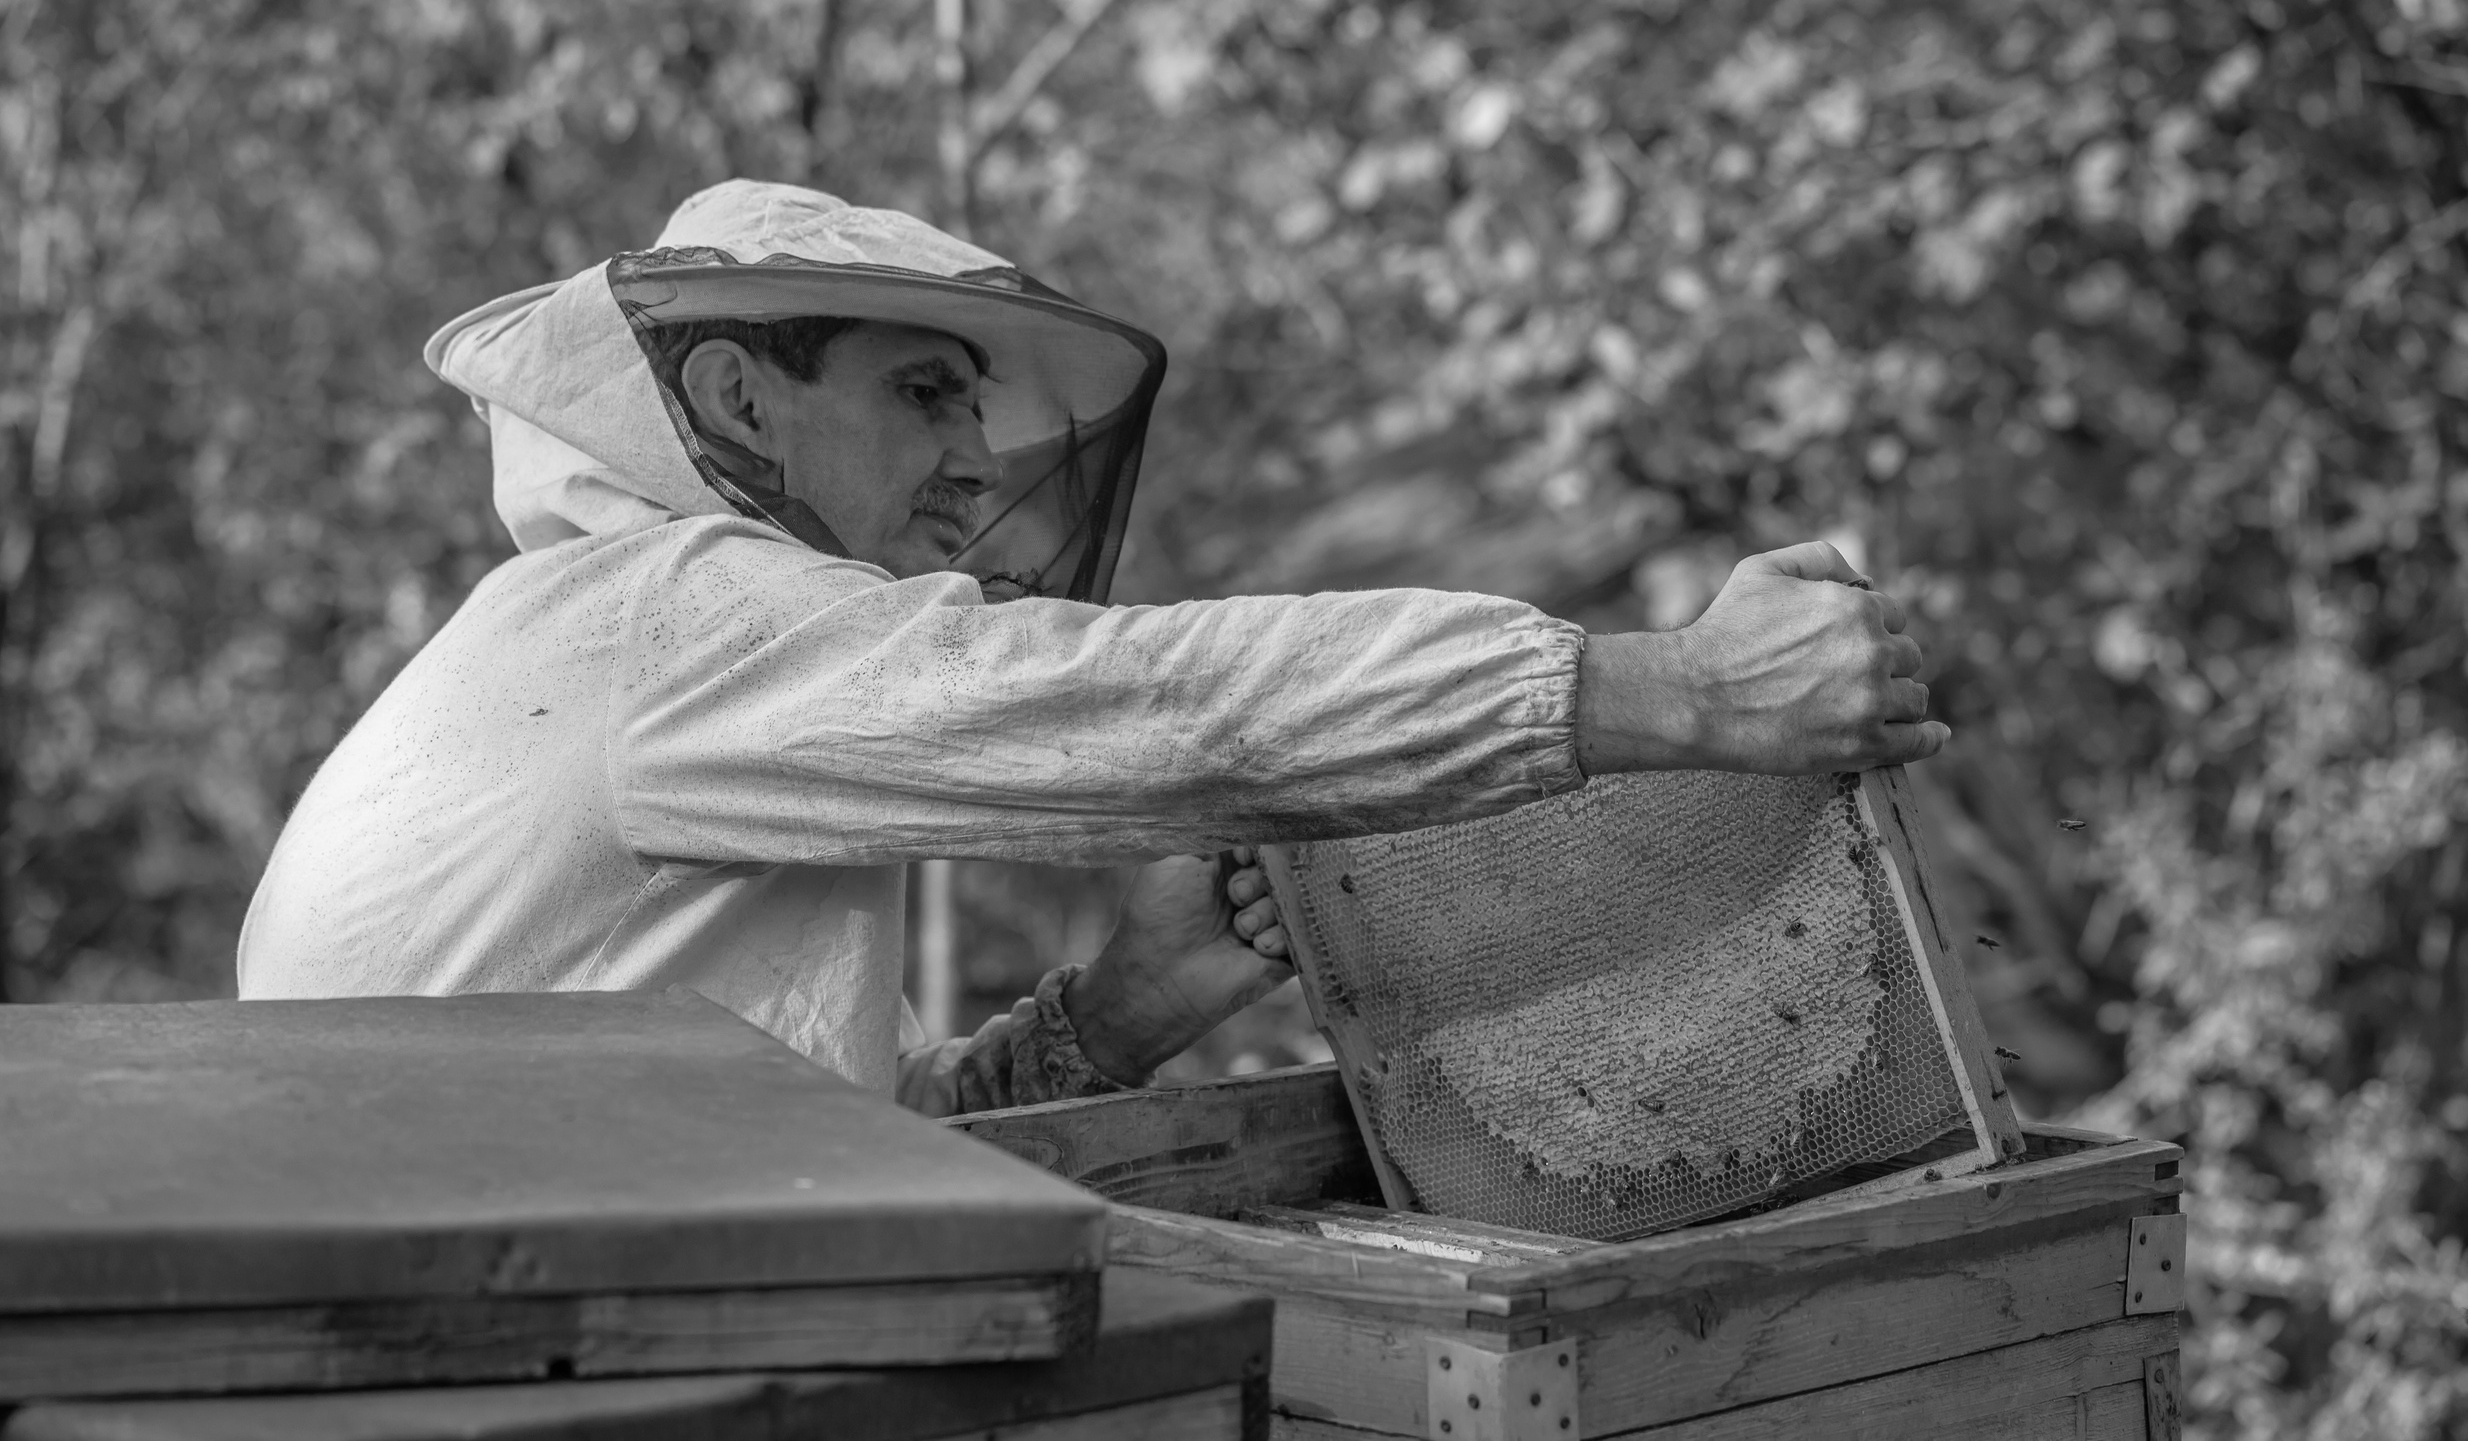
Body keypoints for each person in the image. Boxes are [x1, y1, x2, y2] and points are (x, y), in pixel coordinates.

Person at [236, 179, 1947, 1114]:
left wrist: (1114, 1017)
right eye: (923, 392)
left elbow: (848, 1156)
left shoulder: (660, 683)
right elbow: (1159, 706)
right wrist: (1682, 687)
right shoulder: (673, 619)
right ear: (739, 397)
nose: (978, 462)